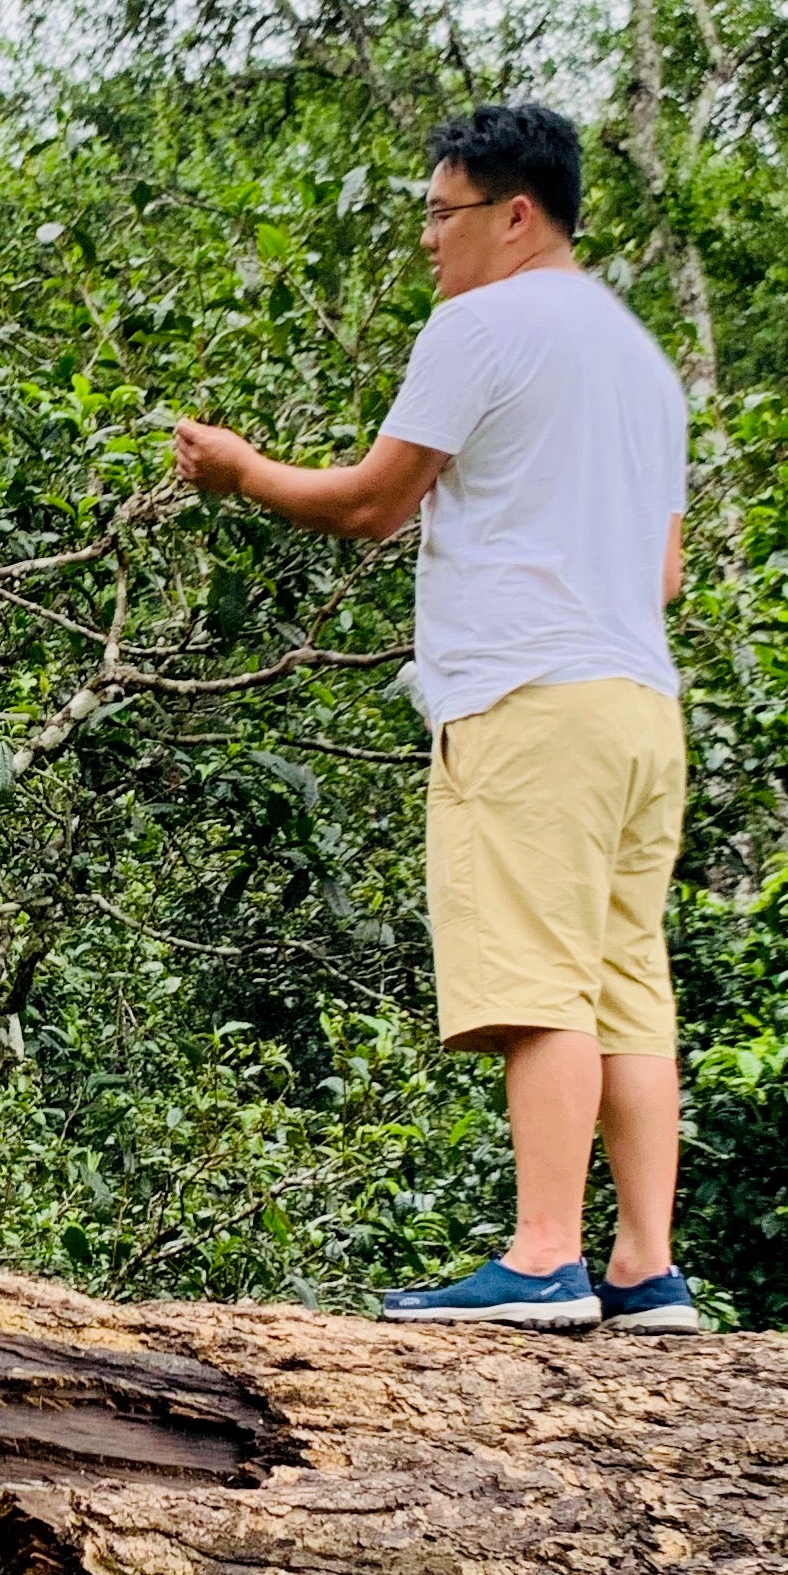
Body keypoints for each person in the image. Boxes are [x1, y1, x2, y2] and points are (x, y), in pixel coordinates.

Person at [172, 100, 697, 1331]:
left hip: (530, 699)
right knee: (628, 987)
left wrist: (242, 472)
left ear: (516, 217)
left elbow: (371, 505)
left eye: (441, 213)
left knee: (542, 980)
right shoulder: (642, 359)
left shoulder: (482, 324)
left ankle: (543, 1260)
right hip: (639, 707)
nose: (427, 239)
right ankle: (646, 1270)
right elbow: (665, 574)